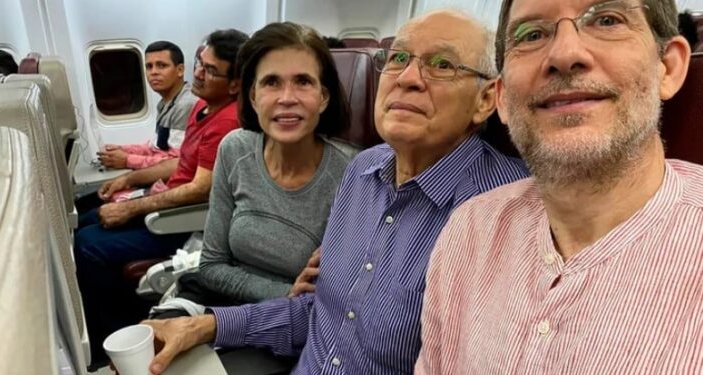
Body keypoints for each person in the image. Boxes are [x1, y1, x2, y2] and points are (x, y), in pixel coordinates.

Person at [142, 11, 529, 375]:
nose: (408, 78)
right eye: (398, 59)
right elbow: (321, 313)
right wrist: (206, 326)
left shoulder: (507, 211)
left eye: (442, 65)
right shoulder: (364, 171)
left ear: (486, 99)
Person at [416, 0, 702, 373]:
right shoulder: (468, 230)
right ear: (502, 98)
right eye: (531, 34)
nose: (565, 54)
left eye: (607, 20)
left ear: (668, 67)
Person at [151, 23, 358, 318]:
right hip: (218, 300)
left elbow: (327, 293)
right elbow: (211, 266)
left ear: (324, 97)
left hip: (290, 322)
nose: (287, 97)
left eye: (303, 81)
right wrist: (281, 291)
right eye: (271, 82)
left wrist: (286, 299)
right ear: (252, 97)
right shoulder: (235, 149)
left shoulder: (352, 174)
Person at [74, 29, 249, 368]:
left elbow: (201, 189)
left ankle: (114, 341)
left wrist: (132, 206)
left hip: (182, 220)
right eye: (200, 63)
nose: (198, 72)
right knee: (86, 221)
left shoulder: (228, 121)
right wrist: (130, 179)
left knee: (89, 246)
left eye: (211, 70)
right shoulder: (202, 107)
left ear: (235, 84)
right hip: (167, 203)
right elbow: (174, 160)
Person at [97, 41, 198, 173]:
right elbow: (157, 147)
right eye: (149, 67)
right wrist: (122, 149)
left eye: (162, 66)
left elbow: (175, 162)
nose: (153, 72)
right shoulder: (165, 103)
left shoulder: (186, 105)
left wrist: (127, 160)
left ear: (180, 70)